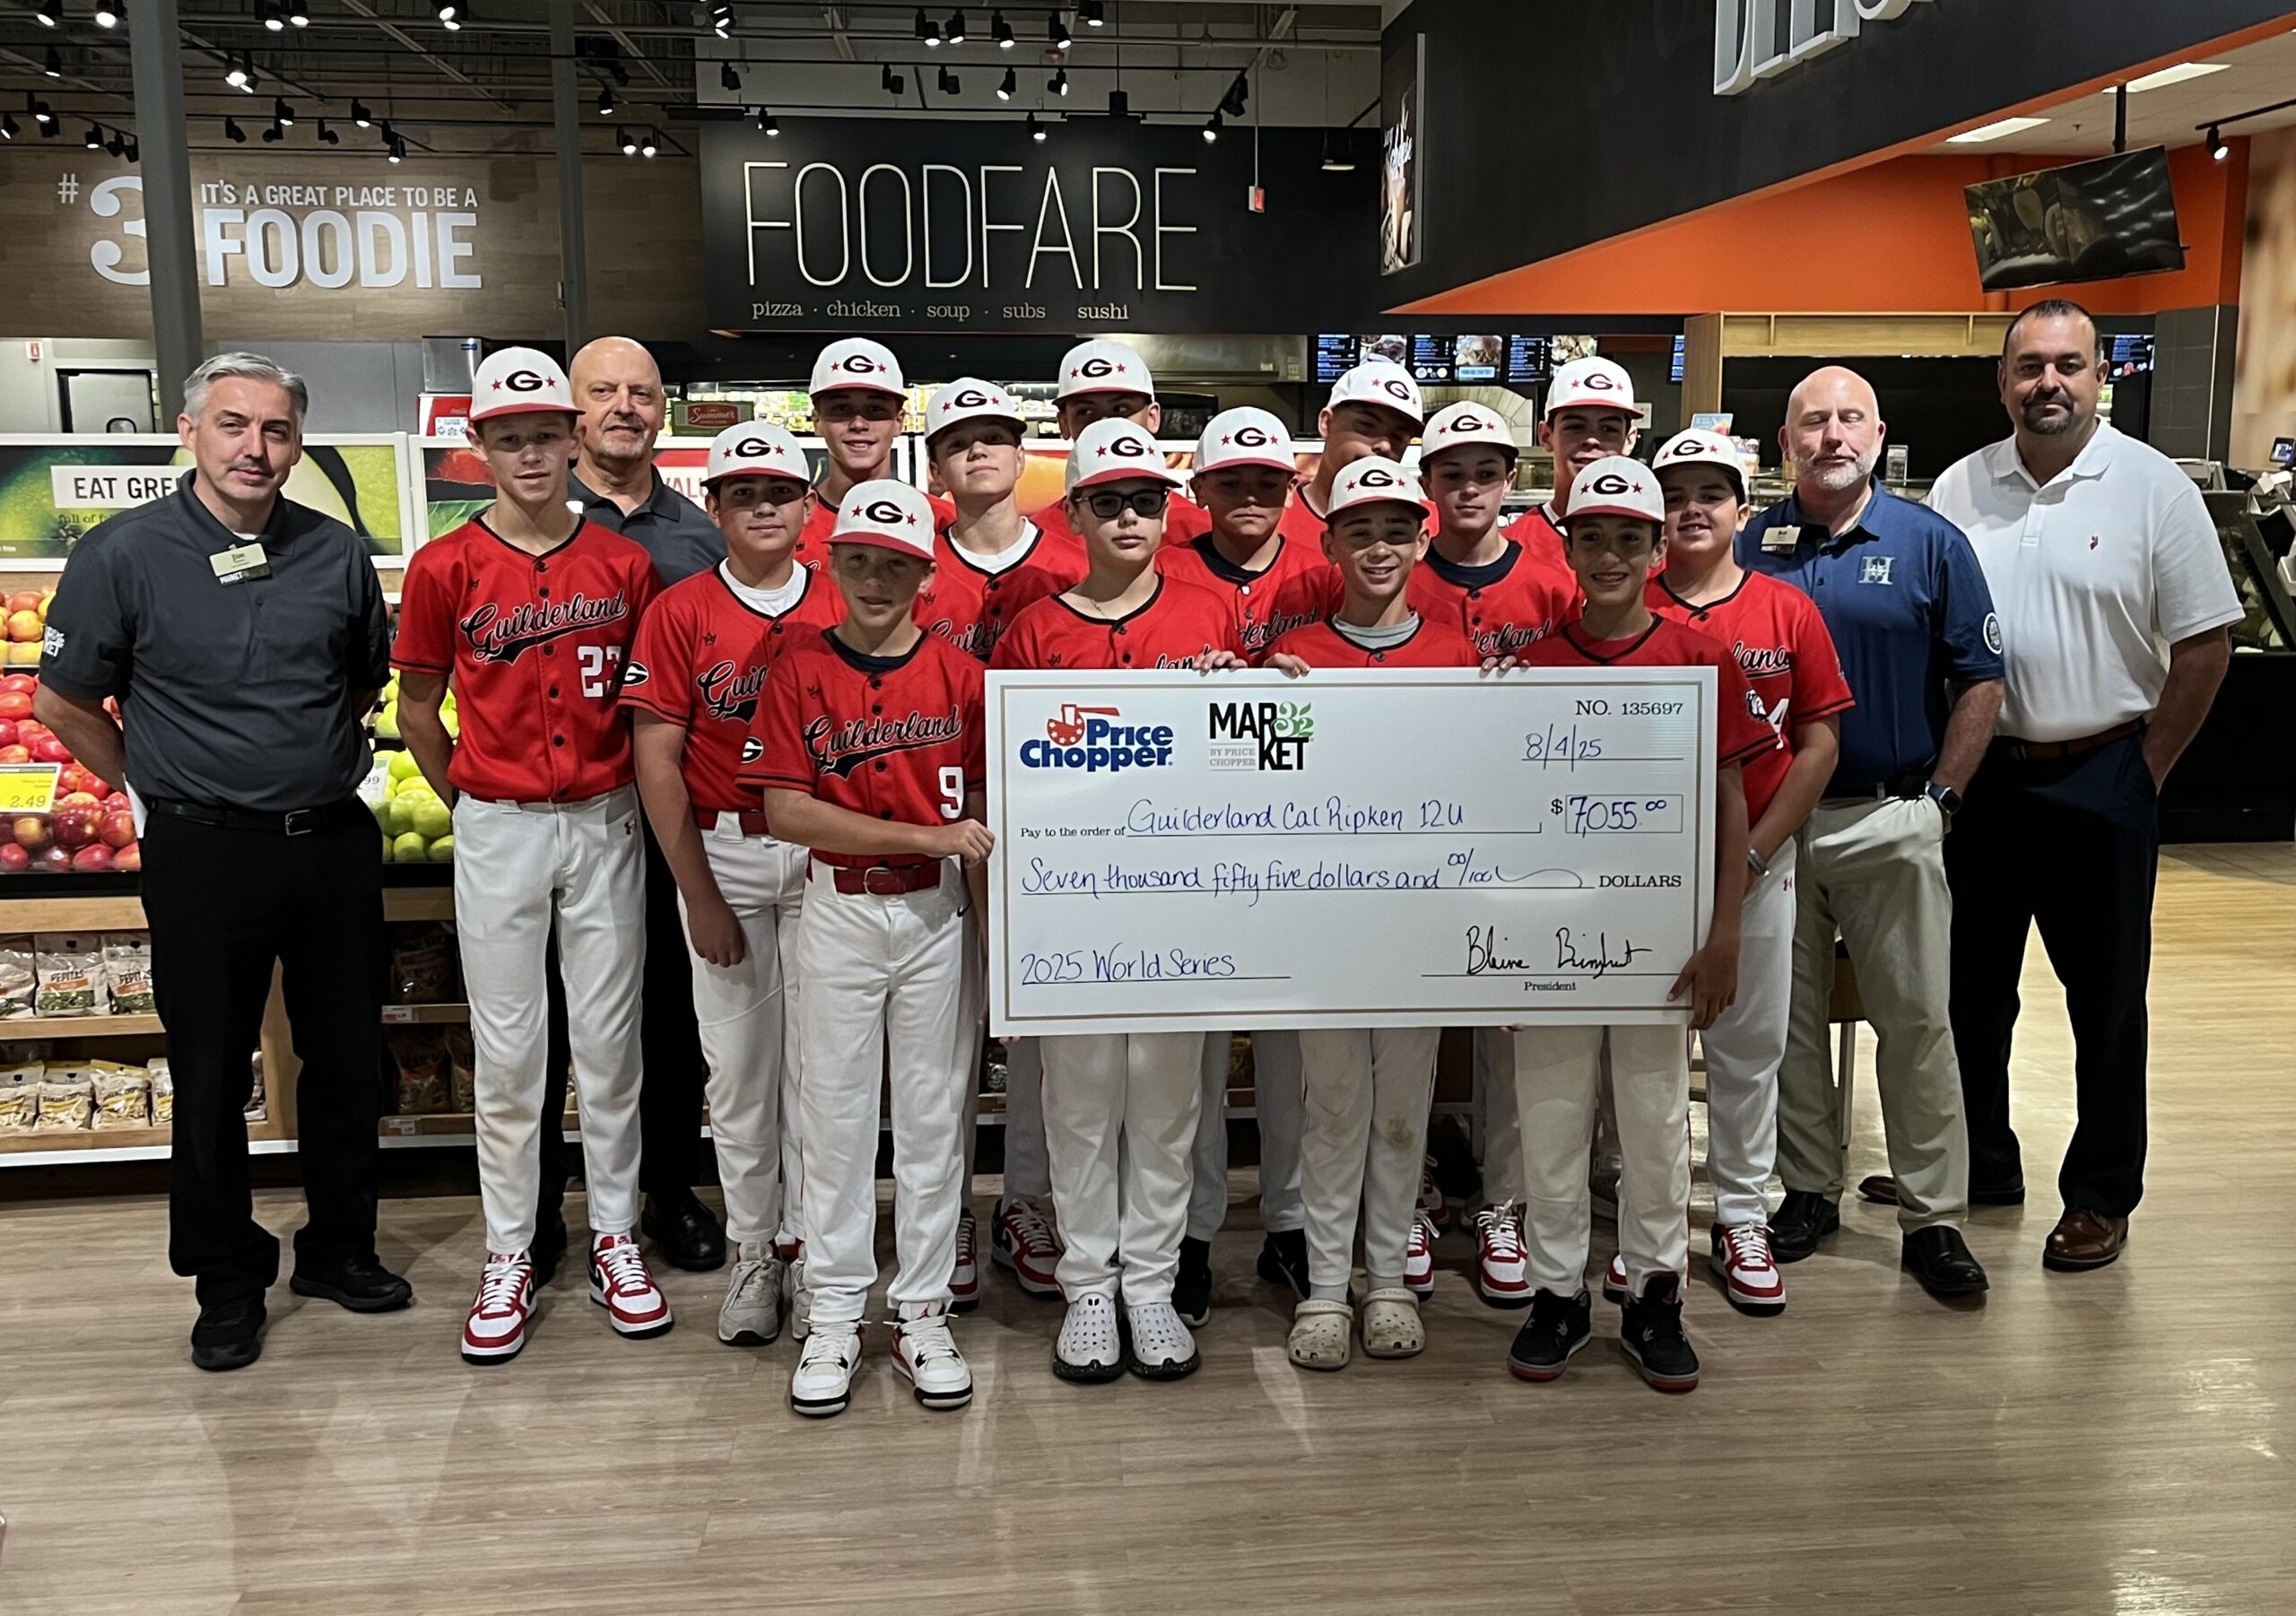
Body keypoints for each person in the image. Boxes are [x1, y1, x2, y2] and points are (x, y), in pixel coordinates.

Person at [37, 352, 407, 1372]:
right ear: (190, 431)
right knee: (209, 1070)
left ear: (297, 444)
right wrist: (149, 784)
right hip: (201, 849)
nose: (256, 448)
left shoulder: (335, 551)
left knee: (346, 1056)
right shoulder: (123, 553)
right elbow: (61, 700)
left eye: (277, 430)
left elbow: (362, 683)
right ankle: (226, 1278)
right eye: (234, 425)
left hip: (329, 841)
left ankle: (340, 1246)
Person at [1926, 300, 2239, 1272]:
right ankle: (1981, 1158)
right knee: (1968, 991)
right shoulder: (1959, 485)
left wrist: (2144, 771)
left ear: (2100, 376)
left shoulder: (2152, 488)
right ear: (2002, 381)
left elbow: (2206, 645)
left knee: (2105, 1002)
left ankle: (2101, 1194)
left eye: (2067, 364)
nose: (2047, 383)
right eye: (2029, 366)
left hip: (2103, 773)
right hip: (1983, 778)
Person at [394, 347, 667, 1363]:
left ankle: (615, 1236)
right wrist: (468, 800)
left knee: (610, 1043)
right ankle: (509, 1249)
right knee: (509, 1052)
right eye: (509, 438)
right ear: (480, 446)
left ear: (573, 437)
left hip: (604, 817)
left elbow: (644, 708)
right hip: (499, 821)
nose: (532, 454)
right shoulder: (443, 566)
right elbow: (417, 707)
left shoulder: (624, 564)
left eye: (547, 434)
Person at [1505, 456, 1770, 1394]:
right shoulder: (1531, 667)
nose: (1610, 554)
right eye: (1592, 537)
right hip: (1549, 942)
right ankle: (1556, 1293)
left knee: (1656, 1123)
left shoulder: (1700, 658)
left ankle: (1656, 1294)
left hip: (1659, 944)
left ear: (1658, 549)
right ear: (1569, 548)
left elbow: (1731, 801)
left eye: (1629, 537)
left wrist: (1725, 932)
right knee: (1550, 1118)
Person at [989, 419, 1247, 1382]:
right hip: (1072, 909)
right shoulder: (1035, 628)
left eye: (1145, 500)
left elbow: (1247, 757)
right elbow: (1005, 785)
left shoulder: (1208, 614)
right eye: (1108, 501)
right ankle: (1089, 1286)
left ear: (1168, 511)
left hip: (1179, 904)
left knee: (1169, 1107)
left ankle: (1151, 1284)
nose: (1129, 516)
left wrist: (1250, 688)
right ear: (1075, 513)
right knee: (1081, 1105)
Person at [1740, 365, 2003, 1301]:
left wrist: (1940, 800)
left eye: (1850, 419)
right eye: (1813, 423)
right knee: (1788, 1022)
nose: (1832, 437)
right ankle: (1807, 1189)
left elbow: (1980, 678)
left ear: (1878, 435)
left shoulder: (1930, 543)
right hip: (1773, 826)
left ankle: (1933, 1216)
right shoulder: (1751, 543)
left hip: (1888, 816)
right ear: (1785, 444)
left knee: (1916, 1019)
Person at [745, 480, 990, 1420]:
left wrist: (997, 947)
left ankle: (922, 1310)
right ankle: (837, 1310)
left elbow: (988, 816)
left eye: (896, 563)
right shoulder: (798, 665)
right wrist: (927, 835)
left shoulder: (963, 676)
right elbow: (785, 811)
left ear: (926, 575)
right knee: (835, 1120)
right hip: (840, 909)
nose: (876, 579)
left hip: (936, 914)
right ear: (833, 563)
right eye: (859, 560)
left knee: (933, 1121)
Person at [623, 423, 843, 1349]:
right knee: (742, 1074)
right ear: (710, 506)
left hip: (827, 855)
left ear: (808, 505)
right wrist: (700, 893)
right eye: (742, 492)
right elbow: (656, 758)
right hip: (728, 851)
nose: (763, 507)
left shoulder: (842, 597)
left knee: (826, 1073)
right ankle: (756, 1247)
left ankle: (818, 1250)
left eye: (779, 491)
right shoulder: (680, 610)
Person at [1261, 456, 1475, 1371]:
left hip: (1418, 917)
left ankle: (1386, 1278)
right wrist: (1253, 694)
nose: (1380, 547)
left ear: (1423, 539)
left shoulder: (1457, 650)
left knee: (1402, 1108)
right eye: (1360, 530)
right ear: (1329, 544)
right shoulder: (1296, 652)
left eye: (1396, 530)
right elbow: (1262, 787)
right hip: (1324, 921)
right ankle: (1322, 1286)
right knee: (1333, 1104)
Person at [1645, 428, 1853, 1316]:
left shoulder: (1785, 608)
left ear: (1742, 509)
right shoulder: (1623, 604)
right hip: (1647, 875)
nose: (1692, 509)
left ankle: (1740, 1215)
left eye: (1711, 493)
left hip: (1760, 862)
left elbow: (1818, 743)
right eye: (1675, 494)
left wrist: (1756, 853)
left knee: (1749, 1048)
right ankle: (1650, 1221)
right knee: (1649, 1055)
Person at [1161, 405, 1344, 1319]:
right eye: (1229, 479)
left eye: (1265, 481)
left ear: (1289, 486)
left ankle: (1291, 1224)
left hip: (1295, 834)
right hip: (1192, 838)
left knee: (1292, 1049)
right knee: (1193, 1056)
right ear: (1199, 488)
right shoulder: (1167, 569)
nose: (1248, 494)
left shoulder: (1321, 569)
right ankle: (1191, 1235)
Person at [912, 376, 1088, 1307]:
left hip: (1047, 815)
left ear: (1024, 455)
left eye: (993, 436)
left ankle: (1027, 1198)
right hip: (931, 813)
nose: (977, 451)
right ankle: (946, 1209)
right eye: (957, 440)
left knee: (1036, 1032)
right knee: (942, 1035)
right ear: (935, 467)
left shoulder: (1070, 557)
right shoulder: (909, 561)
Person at [561, 334, 728, 1276]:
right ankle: (547, 1205)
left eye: (642, 392)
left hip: (669, 806)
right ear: (574, 410)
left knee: (669, 1007)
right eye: (603, 391)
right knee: (563, 1012)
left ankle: (668, 1187)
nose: (624, 406)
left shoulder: (700, 532)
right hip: (568, 806)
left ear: (663, 410)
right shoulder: (535, 516)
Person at [1412, 400, 1577, 1308]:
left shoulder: (1551, 581)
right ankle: (1413, 1184)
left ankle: (1505, 1204)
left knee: (1517, 1025)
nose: (1469, 488)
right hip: (1421, 833)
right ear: (1427, 483)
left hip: (1522, 833)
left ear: (1510, 478)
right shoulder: (1399, 574)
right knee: (1411, 1017)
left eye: (1485, 472)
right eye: (1452, 474)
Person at [1032, 339, 1213, 549]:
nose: (1105, 424)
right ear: (1063, 424)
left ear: (1153, 417)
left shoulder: (1200, 531)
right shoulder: (1039, 538)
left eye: (1121, 409)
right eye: (1086, 412)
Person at [796, 338, 952, 568]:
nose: (858, 424)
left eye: (875, 409)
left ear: (899, 421)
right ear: (817, 422)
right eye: (841, 409)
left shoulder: (943, 521)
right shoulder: (788, 524)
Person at [1503, 356, 1641, 571]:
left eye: (1608, 429)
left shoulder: (1649, 547)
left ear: (1629, 440)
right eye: (1575, 427)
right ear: (1546, 436)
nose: (1591, 440)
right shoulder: (1510, 547)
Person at [1296, 359, 1425, 524]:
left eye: (1398, 436)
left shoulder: (1427, 523)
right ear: (1326, 423)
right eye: (1367, 426)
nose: (1385, 446)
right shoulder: (1272, 520)